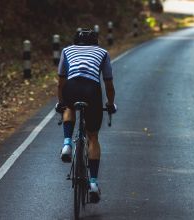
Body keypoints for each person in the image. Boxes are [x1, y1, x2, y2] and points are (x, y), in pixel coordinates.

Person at [55, 28, 117, 203]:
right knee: (93, 137)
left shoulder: (67, 51)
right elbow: (109, 85)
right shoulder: (103, 53)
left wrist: (61, 102)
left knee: (69, 107)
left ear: (76, 41)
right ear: (95, 41)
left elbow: (61, 83)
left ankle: (67, 144)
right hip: (92, 91)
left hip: (72, 86)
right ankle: (93, 183)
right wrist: (110, 105)